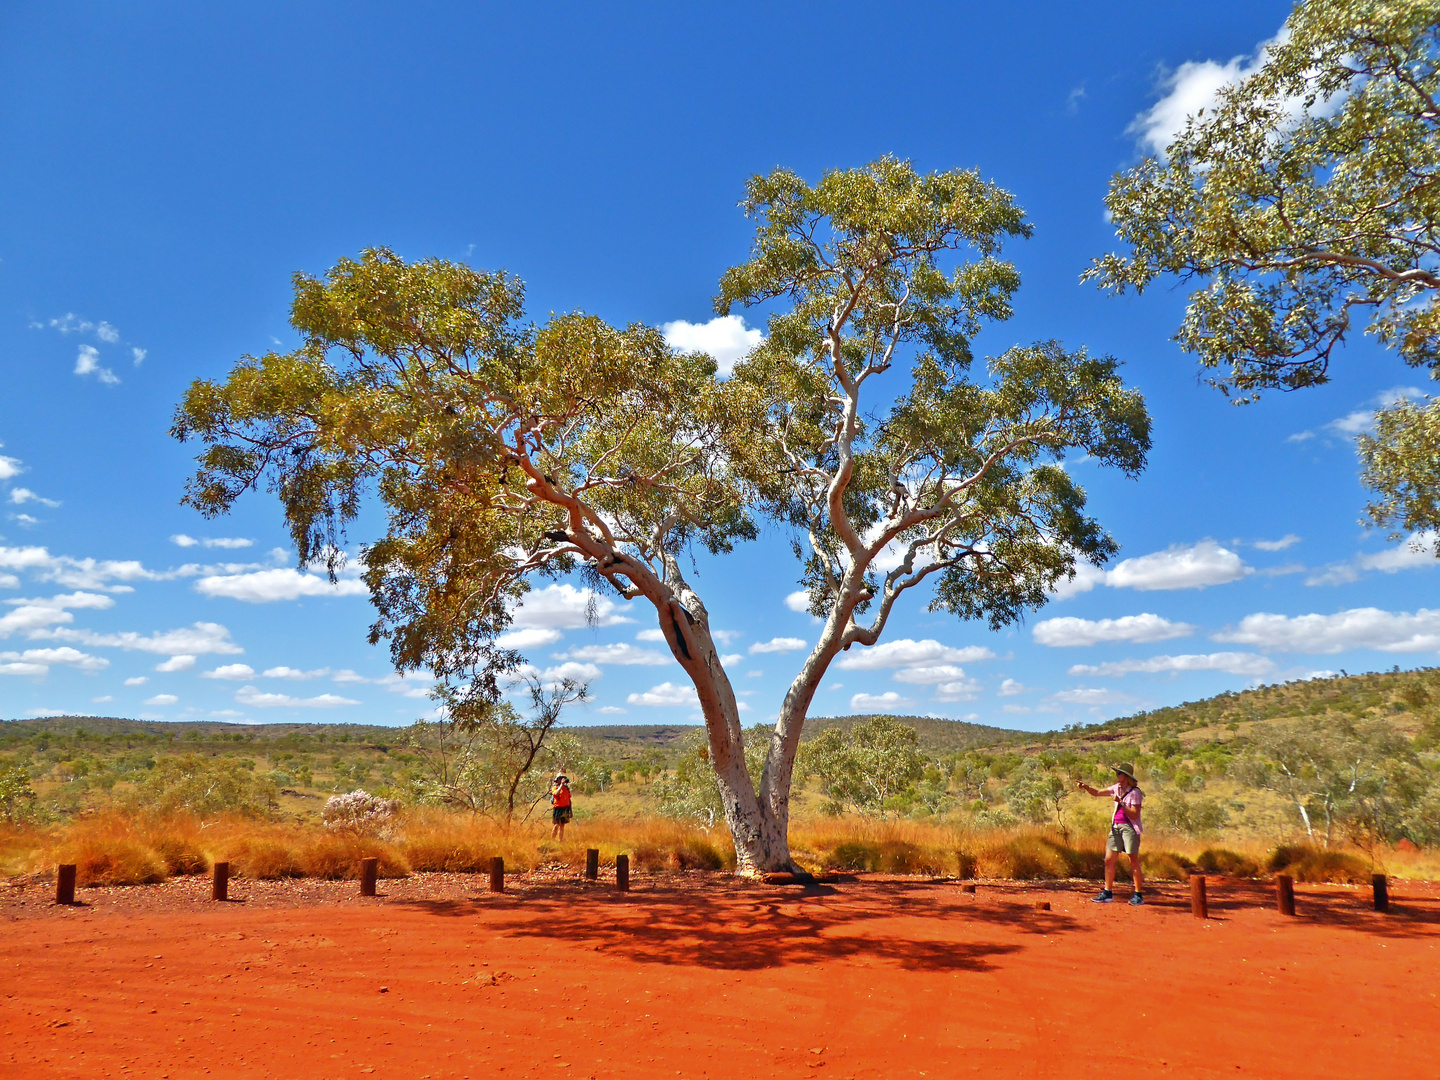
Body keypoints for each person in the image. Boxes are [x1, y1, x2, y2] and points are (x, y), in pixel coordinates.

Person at [1077, 763, 1145, 905]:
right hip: (1115, 828)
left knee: (1133, 860)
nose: (1117, 776)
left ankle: (1138, 894)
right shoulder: (1116, 788)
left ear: (1126, 776)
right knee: (1109, 859)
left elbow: (1134, 814)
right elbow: (1097, 793)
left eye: (1119, 773)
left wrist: (1121, 802)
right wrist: (1085, 787)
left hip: (1129, 829)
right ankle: (1107, 892)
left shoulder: (1135, 792)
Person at [550, 772, 573, 840]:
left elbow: (569, 800)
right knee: (556, 825)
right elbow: (556, 794)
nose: (562, 780)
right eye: (561, 779)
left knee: (562, 826)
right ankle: (552, 840)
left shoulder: (566, 789)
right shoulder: (555, 788)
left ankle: (560, 841)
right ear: (558, 780)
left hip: (565, 808)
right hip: (558, 809)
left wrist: (570, 811)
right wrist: (561, 785)